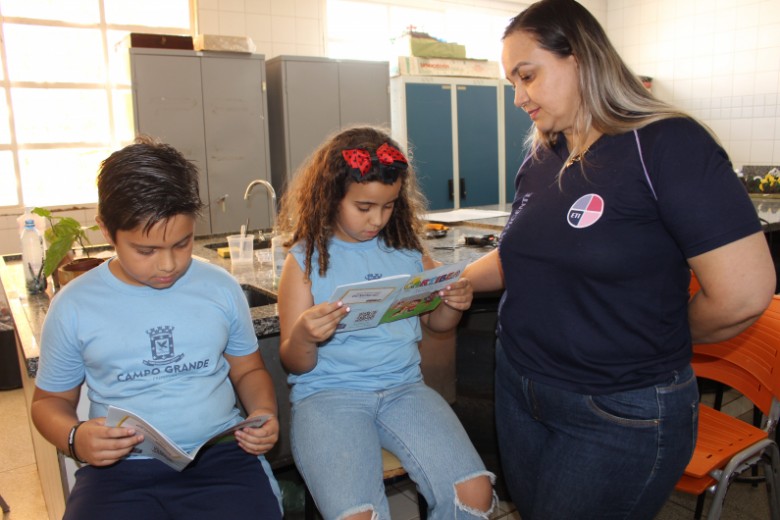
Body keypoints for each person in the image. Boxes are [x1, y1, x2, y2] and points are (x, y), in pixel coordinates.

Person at [461, 1, 777, 519]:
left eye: (527, 76)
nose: (518, 97)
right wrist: (448, 282)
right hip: (522, 389)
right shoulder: (544, 155)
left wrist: (657, 334)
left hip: (616, 410)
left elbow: (742, 295)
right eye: (512, 83)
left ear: (580, 58)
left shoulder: (666, 144)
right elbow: (522, 255)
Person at [30, 136, 283, 520]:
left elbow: (248, 369)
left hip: (221, 456)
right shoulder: (74, 306)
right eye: (145, 251)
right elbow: (50, 403)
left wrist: (263, 411)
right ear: (105, 231)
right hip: (121, 468)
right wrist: (75, 437)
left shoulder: (220, 287)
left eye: (182, 244)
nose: (168, 265)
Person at [276, 126, 496, 520]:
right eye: (364, 207)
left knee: (474, 493)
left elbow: (439, 325)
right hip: (329, 397)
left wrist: (453, 303)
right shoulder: (305, 260)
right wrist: (305, 336)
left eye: (389, 206)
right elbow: (294, 361)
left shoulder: (406, 251)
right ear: (331, 197)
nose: (377, 219)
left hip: (403, 388)